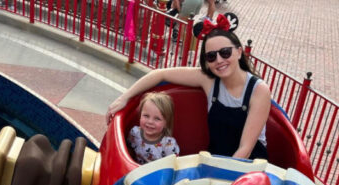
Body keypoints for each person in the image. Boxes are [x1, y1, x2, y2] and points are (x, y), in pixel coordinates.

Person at [106, 13, 271, 160]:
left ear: (239, 52)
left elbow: (245, 149)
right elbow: (160, 74)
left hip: (246, 166)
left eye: (225, 52)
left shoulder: (258, 90)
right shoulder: (209, 79)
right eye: (211, 56)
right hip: (214, 159)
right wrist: (124, 97)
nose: (219, 60)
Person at [128, 92, 180, 164]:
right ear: (140, 115)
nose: (150, 122)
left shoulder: (169, 145)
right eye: (146, 116)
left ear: (166, 123)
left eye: (157, 119)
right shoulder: (134, 132)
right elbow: (128, 152)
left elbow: (173, 166)